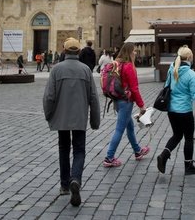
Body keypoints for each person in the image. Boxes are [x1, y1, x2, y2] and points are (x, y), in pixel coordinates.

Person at [42, 37, 100, 207]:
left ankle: (65, 185)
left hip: (62, 117)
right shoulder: (85, 70)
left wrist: (49, 115)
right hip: (80, 117)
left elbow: (49, 97)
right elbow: (94, 98)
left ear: (65, 51)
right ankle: (76, 178)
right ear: (78, 52)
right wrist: (95, 121)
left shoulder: (56, 70)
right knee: (80, 150)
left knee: (63, 148)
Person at [156, 45, 195, 175]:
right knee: (189, 138)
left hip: (172, 111)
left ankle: (163, 155)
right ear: (190, 58)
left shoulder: (172, 69)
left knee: (177, 135)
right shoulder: (191, 74)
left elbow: (167, 87)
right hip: (184, 111)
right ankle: (188, 166)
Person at [102, 42, 150, 167]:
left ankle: (138, 151)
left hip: (117, 100)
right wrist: (141, 106)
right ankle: (109, 157)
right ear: (129, 52)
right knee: (119, 129)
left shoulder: (118, 63)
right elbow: (134, 89)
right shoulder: (128, 66)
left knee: (130, 127)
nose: (135, 53)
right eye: (134, 50)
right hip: (126, 102)